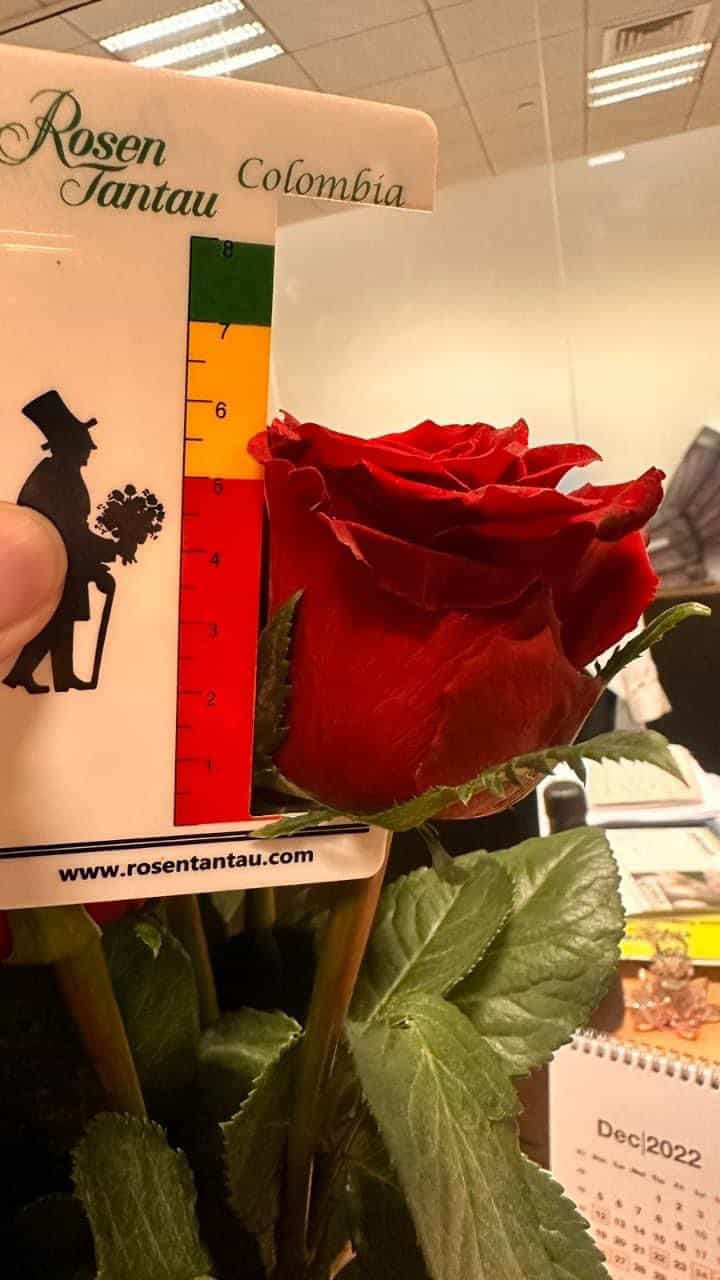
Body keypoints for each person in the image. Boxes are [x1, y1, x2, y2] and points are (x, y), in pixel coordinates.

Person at [3, 391, 119, 693]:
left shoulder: (66, 475)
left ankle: (60, 675)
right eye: (84, 446)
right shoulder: (54, 476)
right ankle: (23, 673)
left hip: (68, 560)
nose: (89, 451)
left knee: (61, 622)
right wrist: (104, 552)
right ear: (70, 447)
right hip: (55, 561)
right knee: (52, 620)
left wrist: (99, 557)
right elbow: (69, 529)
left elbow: (76, 527)